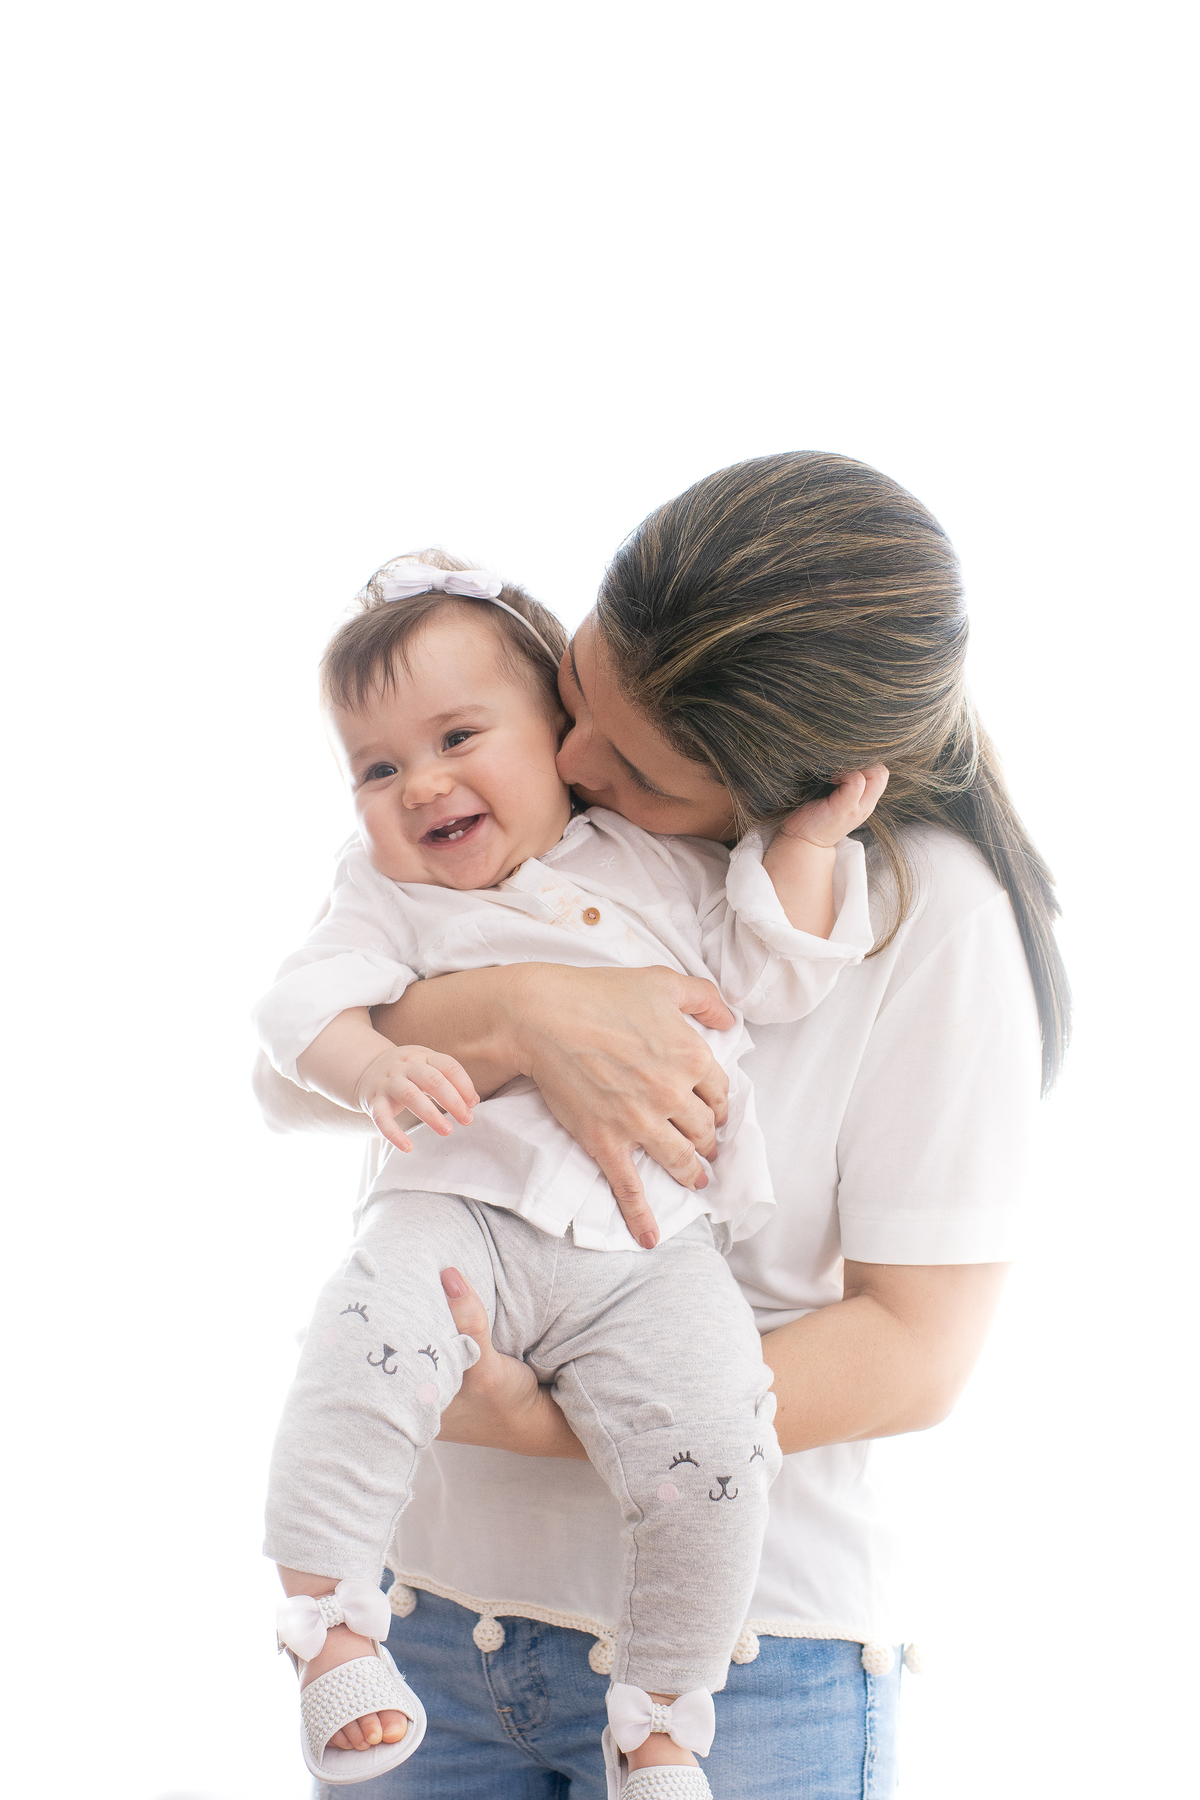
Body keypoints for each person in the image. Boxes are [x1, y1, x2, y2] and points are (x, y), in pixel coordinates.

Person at [254, 452, 1068, 1799]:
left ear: (794, 791)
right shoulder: (522, 800)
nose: (570, 763)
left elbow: (918, 1356)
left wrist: (539, 1421)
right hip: (434, 1616)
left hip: (753, 1664)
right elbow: (289, 1076)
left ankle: (658, 1721)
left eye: (631, 767)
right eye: (575, 694)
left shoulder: (925, 913)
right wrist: (520, 1010)